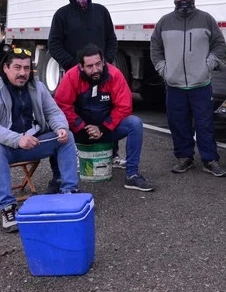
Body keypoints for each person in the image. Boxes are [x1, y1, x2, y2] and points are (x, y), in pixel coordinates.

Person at [0, 47, 79, 232]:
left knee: (67, 137)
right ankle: (7, 208)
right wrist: (18, 139)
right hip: (7, 148)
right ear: (5, 68)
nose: (23, 73)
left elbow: (53, 112)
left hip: (35, 143)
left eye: (27, 68)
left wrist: (61, 127)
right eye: (17, 67)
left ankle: (69, 192)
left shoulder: (37, 86)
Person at [47, 0, 121, 189]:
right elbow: (54, 44)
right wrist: (72, 65)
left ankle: (111, 153)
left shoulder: (101, 11)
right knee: (72, 111)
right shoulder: (62, 15)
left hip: (101, 73)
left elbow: (111, 39)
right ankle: (73, 158)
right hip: (75, 74)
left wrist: (105, 62)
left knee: (106, 109)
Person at [150, 0, 226, 177]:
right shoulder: (164, 22)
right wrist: (163, 69)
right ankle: (184, 158)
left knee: (205, 123)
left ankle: (210, 160)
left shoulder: (206, 19)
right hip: (174, 84)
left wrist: (208, 64)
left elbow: (219, 44)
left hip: (201, 84)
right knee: (178, 123)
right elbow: (155, 48)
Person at [54, 44, 154, 192]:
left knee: (135, 123)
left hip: (106, 131)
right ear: (81, 66)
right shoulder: (71, 76)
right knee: (56, 129)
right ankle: (60, 179)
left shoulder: (114, 75)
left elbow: (124, 106)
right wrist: (81, 127)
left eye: (98, 64)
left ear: (103, 61)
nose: (95, 70)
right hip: (79, 131)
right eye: (90, 66)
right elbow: (62, 105)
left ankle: (132, 175)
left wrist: (103, 128)